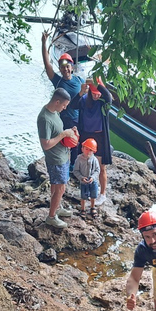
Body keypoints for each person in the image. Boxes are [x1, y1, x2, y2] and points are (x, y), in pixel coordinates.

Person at [37, 87, 79, 228]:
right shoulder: (45, 119)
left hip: (63, 155)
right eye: (64, 105)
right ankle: (51, 217)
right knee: (60, 188)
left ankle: (57, 207)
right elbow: (46, 144)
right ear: (57, 101)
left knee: (57, 186)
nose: (65, 108)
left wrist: (69, 133)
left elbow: (58, 132)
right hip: (55, 159)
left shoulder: (55, 112)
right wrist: (63, 135)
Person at [41, 31, 85, 163]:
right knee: (66, 143)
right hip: (65, 117)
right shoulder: (58, 81)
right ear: (59, 69)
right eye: (62, 67)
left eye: (67, 66)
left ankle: (76, 166)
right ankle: (67, 165)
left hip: (79, 117)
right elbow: (47, 64)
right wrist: (44, 43)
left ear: (71, 67)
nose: (65, 69)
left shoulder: (79, 80)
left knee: (78, 143)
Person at [76, 77, 113, 206]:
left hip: (100, 135)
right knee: (86, 166)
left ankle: (102, 194)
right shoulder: (85, 100)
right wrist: (81, 91)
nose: (97, 96)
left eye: (98, 94)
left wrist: (96, 83)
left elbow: (108, 96)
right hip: (86, 134)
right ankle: (88, 193)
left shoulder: (104, 102)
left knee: (102, 167)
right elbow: (73, 105)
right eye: (94, 94)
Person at [73, 138, 101, 218]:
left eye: (90, 150)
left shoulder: (94, 159)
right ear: (82, 149)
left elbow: (97, 170)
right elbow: (76, 171)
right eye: (86, 149)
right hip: (83, 182)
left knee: (93, 195)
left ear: (94, 151)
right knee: (83, 196)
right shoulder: (79, 159)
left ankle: (92, 207)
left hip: (93, 181)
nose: (88, 151)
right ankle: (83, 209)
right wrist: (81, 178)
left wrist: (93, 177)